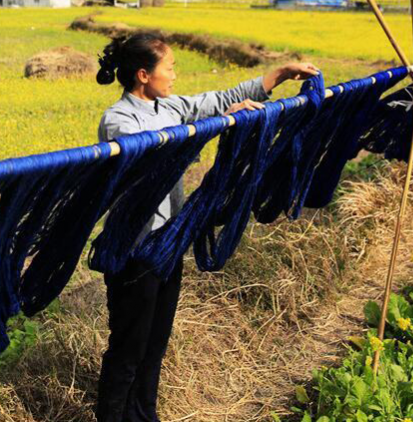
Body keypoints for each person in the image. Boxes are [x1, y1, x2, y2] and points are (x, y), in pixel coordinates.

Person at [94, 32, 318, 422]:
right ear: (144, 75)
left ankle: (145, 416)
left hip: (166, 247)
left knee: (154, 348)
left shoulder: (170, 106)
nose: (175, 75)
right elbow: (152, 160)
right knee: (129, 348)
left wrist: (278, 75)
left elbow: (215, 100)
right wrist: (216, 126)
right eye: (170, 68)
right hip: (134, 251)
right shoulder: (119, 119)